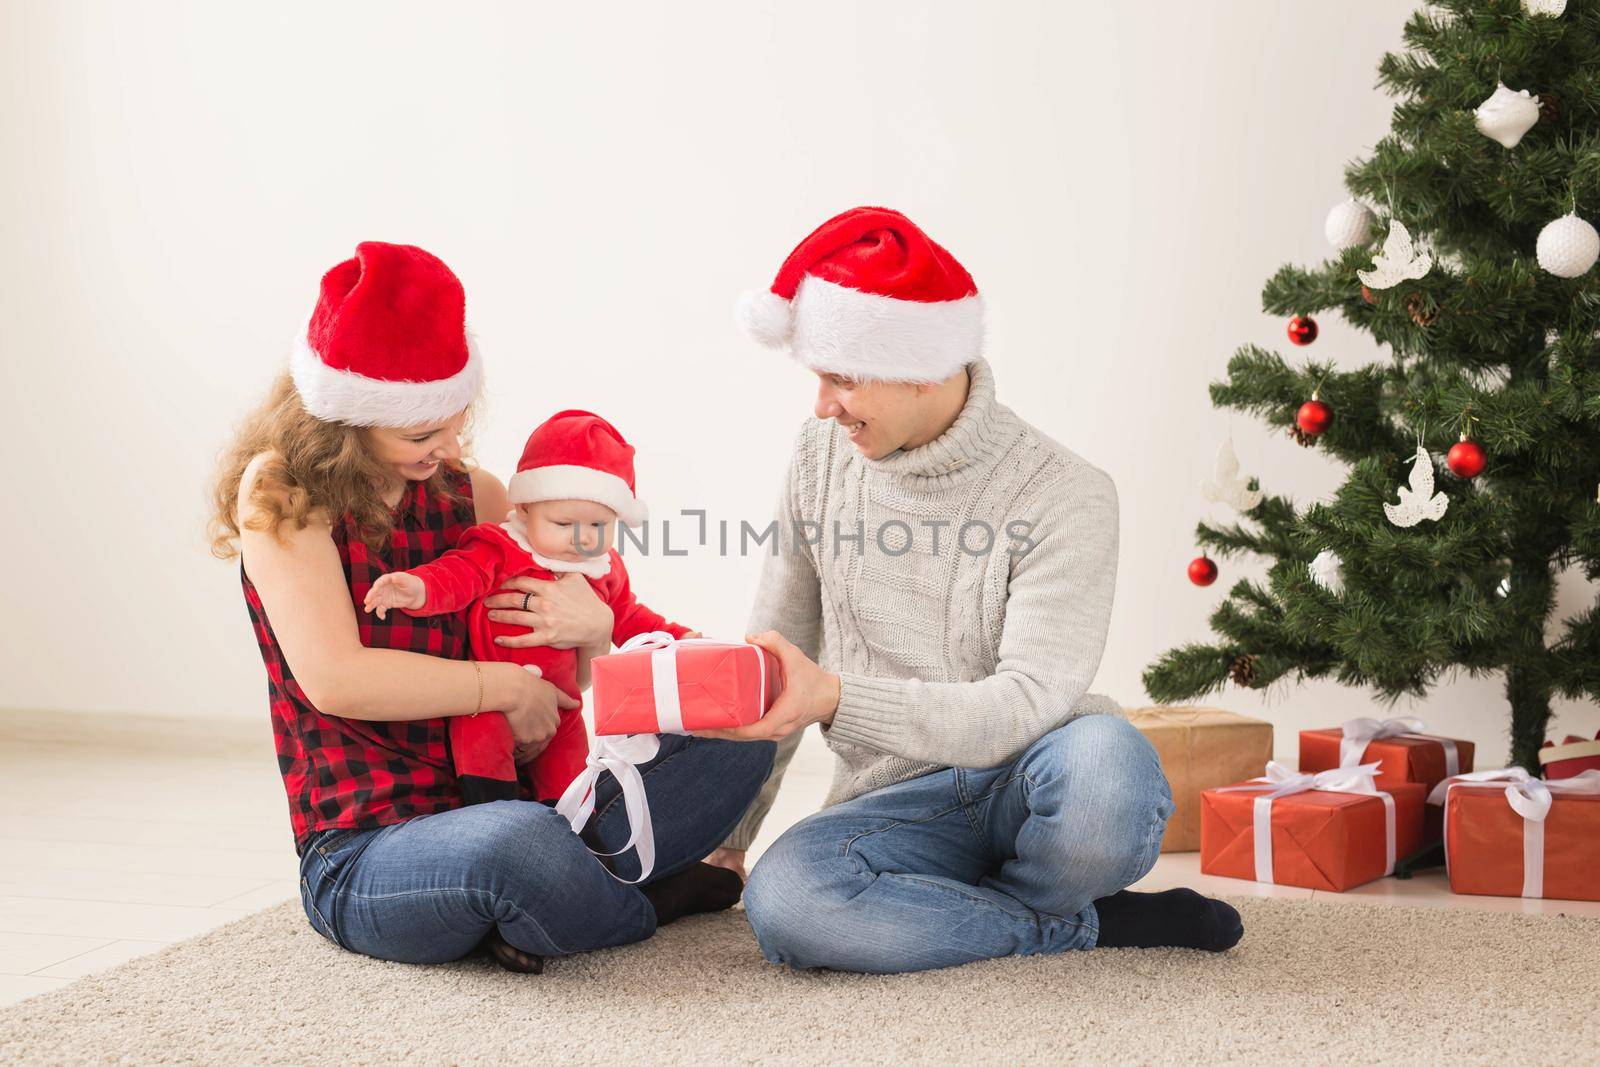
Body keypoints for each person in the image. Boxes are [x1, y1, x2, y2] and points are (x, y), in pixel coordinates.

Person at [698, 207, 1243, 973]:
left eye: (843, 379)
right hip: (889, 805)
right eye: (817, 378)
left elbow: (1022, 704)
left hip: (1033, 775)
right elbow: (776, 656)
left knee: (1107, 776)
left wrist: (835, 697)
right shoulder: (819, 457)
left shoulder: (1067, 494)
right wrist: (731, 840)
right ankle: (1079, 925)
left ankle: (970, 909)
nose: (823, 405)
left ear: (925, 366)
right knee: (787, 901)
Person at [209, 241, 773, 975]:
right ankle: (644, 899)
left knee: (744, 734)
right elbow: (335, 678)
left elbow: (557, 665)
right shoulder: (281, 493)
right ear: (345, 421)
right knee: (516, 846)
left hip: (532, 799)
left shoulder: (468, 493)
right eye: (420, 432)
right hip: (372, 843)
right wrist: (500, 689)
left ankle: (559, 899)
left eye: (454, 420)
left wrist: (598, 633)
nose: (446, 447)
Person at [363, 408, 695, 804]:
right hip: (487, 702)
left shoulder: (603, 569)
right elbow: (459, 575)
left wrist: (680, 641)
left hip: (562, 705)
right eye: (563, 524)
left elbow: (630, 619)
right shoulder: (499, 546)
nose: (582, 540)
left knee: (573, 787)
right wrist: (417, 588)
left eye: (598, 527)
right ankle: (494, 812)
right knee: (484, 752)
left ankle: (573, 824)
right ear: (524, 509)